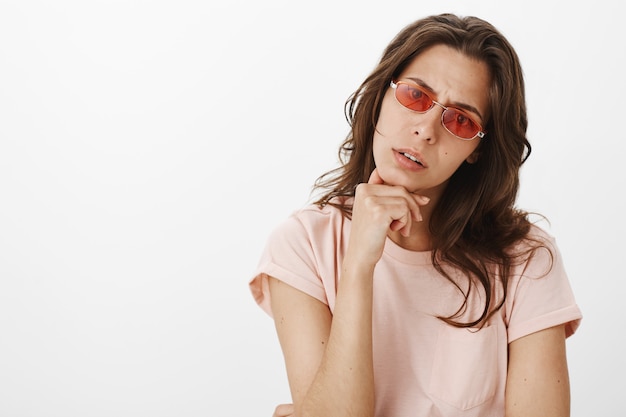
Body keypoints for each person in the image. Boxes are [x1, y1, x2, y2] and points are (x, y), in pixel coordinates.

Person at [249, 13, 582, 417]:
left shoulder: (527, 261)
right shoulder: (302, 245)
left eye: (460, 119)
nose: (426, 129)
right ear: (381, 98)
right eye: (415, 96)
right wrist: (358, 265)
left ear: (477, 149)